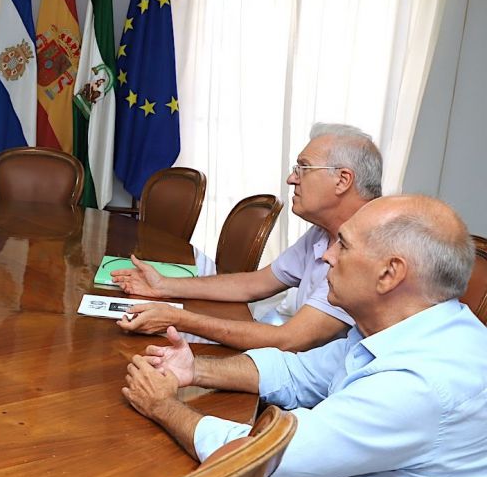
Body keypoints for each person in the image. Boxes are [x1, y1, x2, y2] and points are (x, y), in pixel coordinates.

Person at [122, 195, 487, 477]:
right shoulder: (405, 329)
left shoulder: (419, 383)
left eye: (343, 244)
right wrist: (195, 369)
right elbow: (298, 373)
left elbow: (264, 465)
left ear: (389, 274)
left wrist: (164, 406)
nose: (328, 256)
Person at [113, 123, 381, 352]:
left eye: (303, 168)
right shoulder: (324, 231)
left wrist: (179, 319)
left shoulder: (370, 249)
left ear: (343, 180)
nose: (291, 179)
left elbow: (288, 340)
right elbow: (255, 284)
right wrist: (164, 286)